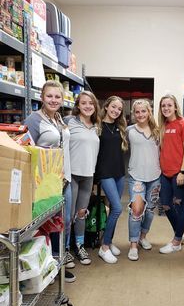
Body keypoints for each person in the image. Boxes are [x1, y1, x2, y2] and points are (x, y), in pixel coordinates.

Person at [24, 80, 76, 282]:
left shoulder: (59, 119)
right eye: (50, 96)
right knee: (46, 225)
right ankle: (46, 267)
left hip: (64, 179)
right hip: (45, 184)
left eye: (57, 96)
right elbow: (27, 150)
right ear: (42, 97)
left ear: (62, 100)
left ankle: (58, 262)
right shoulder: (34, 120)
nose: (54, 100)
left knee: (65, 223)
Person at [64, 91, 101, 265]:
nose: (88, 106)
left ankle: (79, 246)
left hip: (88, 175)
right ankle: (64, 250)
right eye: (84, 103)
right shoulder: (68, 121)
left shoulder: (96, 125)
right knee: (69, 215)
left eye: (91, 103)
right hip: (71, 175)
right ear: (78, 105)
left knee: (81, 213)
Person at [94, 96, 128, 264]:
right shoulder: (98, 126)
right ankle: (104, 247)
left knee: (113, 208)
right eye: (113, 107)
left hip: (119, 173)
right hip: (105, 173)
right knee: (116, 208)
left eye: (119, 109)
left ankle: (110, 240)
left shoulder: (120, 127)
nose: (116, 111)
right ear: (106, 106)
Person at [126, 99, 161, 261]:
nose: (140, 114)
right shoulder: (129, 131)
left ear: (149, 112)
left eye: (143, 111)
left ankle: (143, 236)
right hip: (136, 176)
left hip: (155, 176)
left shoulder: (157, 131)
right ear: (134, 114)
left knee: (149, 210)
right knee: (137, 210)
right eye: (137, 112)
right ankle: (133, 244)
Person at [158, 94, 184, 254]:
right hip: (165, 173)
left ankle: (176, 241)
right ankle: (179, 233)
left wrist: (182, 171)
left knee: (179, 205)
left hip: (179, 172)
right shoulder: (163, 125)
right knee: (165, 205)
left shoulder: (183, 123)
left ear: (175, 106)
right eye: (163, 106)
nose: (166, 108)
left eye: (169, 105)